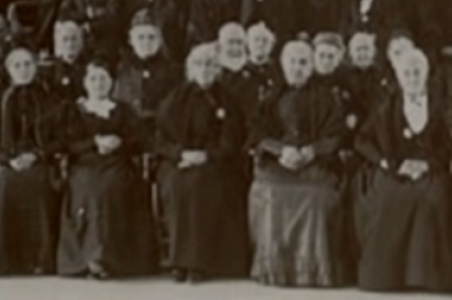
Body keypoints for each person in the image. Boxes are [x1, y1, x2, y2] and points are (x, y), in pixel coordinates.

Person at [353, 47, 452, 292]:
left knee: (433, 197)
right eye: (407, 73)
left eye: (417, 72)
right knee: (391, 199)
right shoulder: (385, 106)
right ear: (398, 77)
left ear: (426, 74)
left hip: (430, 169)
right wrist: (387, 163)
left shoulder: (440, 105)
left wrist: (428, 164)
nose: (412, 78)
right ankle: (387, 276)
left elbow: (449, 147)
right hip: (395, 168)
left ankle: (429, 277)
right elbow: (362, 139)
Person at [247, 40, 349, 287]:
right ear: (283, 65)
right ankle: (274, 270)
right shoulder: (270, 97)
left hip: (316, 163)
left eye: (303, 62)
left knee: (316, 197)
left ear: (312, 66)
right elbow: (256, 133)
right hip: (277, 163)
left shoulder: (327, 98)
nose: (297, 67)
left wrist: (312, 151)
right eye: (292, 62)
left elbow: (337, 135)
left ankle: (314, 272)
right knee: (271, 195)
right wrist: (281, 150)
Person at [155, 43, 250, 283]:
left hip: (216, 162)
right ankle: (179, 261)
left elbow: (231, 141)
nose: (204, 69)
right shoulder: (175, 98)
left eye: (210, 64)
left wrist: (206, 156)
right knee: (177, 184)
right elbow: (161, 138)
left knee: (201, 186)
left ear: (218, 68)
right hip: (179, 161)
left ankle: (200, 263)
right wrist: (182, 155)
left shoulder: (227, 99)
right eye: (199, 64)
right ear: (190, 68)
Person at [57, 59, 159, 279]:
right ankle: (91, 258)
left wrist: (120, 142)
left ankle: (113, 258)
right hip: (85, 164)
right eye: (93, 78)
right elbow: (68, 144)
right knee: (92, 189)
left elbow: (140, 140)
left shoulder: (122, 109)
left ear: (112, 82)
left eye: (103, 78)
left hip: (117, 163)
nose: (98, 83)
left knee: (113, 188)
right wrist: (94, 142)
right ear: (85, 82)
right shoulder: (75, 110)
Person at [0, 46, 62, 276]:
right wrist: (9, 160)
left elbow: (59, 139)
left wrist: (37, 155)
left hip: (40, 159)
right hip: (10, 161)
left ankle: (40, 259)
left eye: (28, 64)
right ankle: (9, 260)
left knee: (40, 183)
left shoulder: (48, 98)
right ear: (8, 70)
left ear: (35, 68)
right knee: (7, 184)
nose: (23, 70)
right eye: (17, 65)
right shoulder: (0, 100)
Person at [113, 14, 181, 148]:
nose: (146, 42)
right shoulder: (123, 70)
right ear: (131, 41)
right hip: (128, 136)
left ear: (160, 40)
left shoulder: (172, 71)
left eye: (151, 37)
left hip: (161, 137)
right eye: (141, 37)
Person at [43, 20, 86, 101]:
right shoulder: (52, 70)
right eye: (65, 39)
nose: (70, 44)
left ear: (80, 42)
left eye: (74, 39)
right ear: (59, 43)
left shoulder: (88, 68)